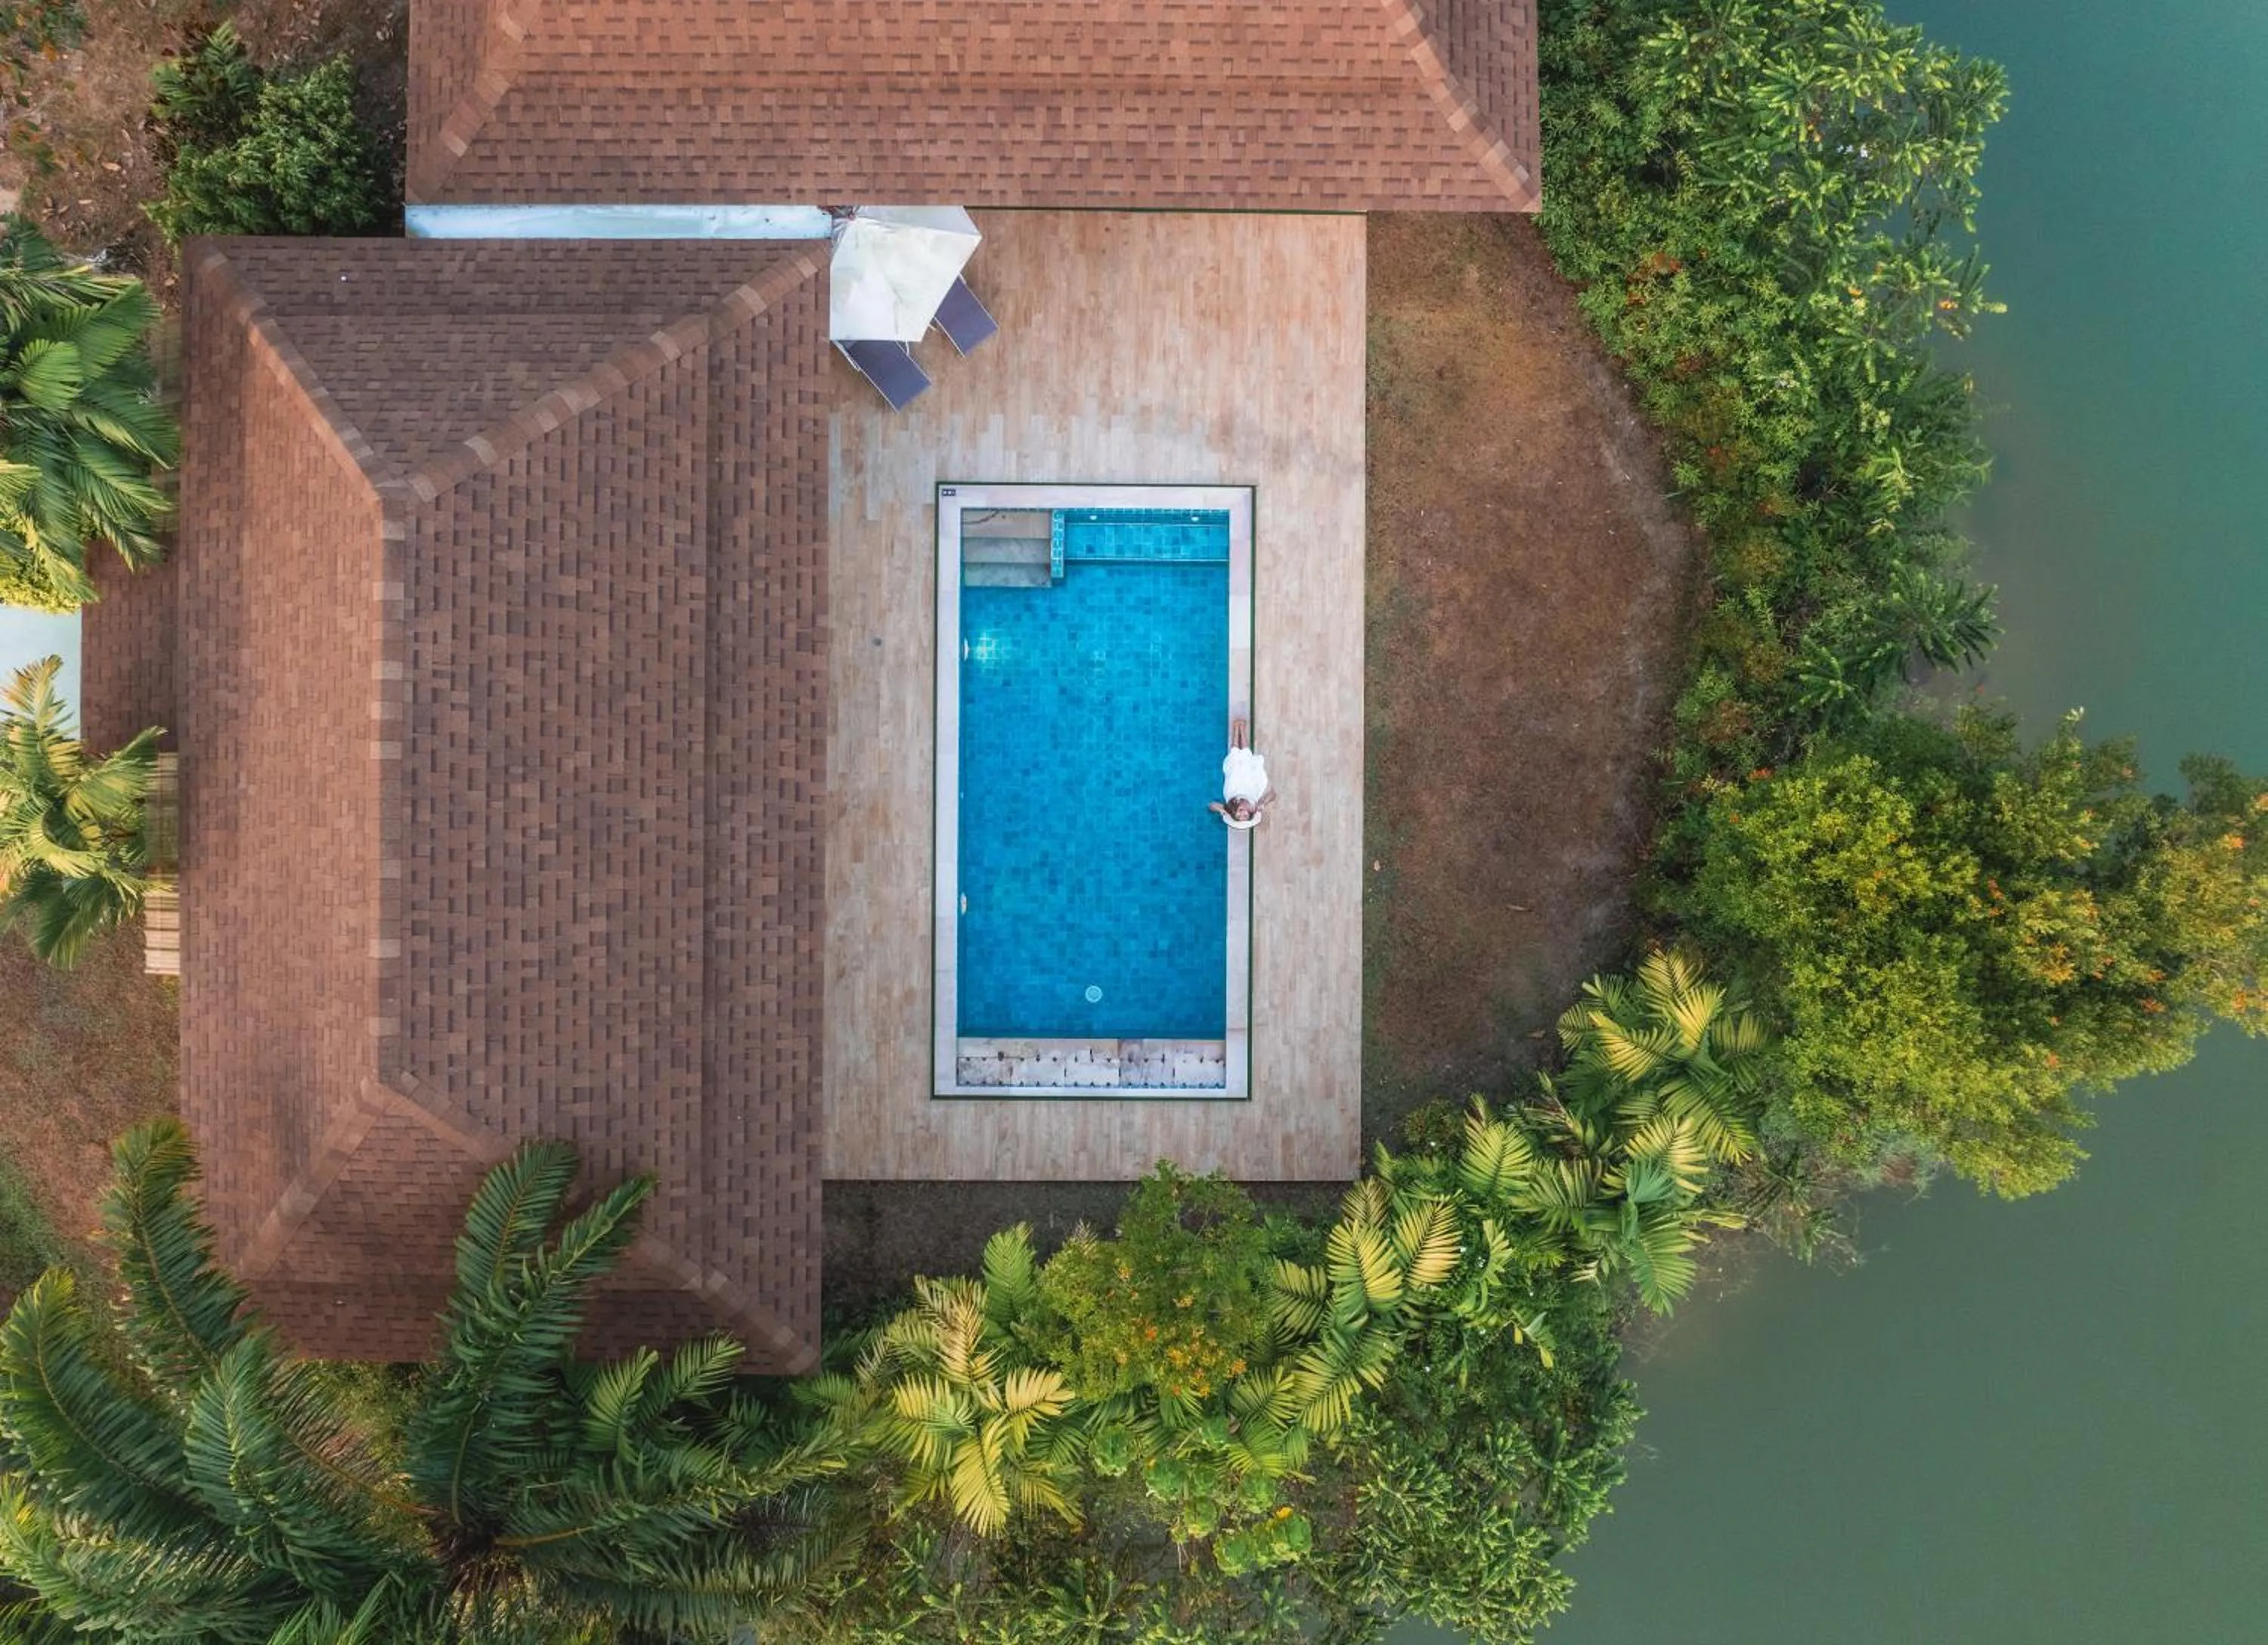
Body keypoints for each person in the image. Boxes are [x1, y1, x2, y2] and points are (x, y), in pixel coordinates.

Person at [1210, 716, 1276, 830]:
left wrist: (1221, 810)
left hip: (1234, 781)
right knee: (1246, 754)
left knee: (1234, 755)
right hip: (1248, 780)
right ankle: (1242, 729)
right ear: (1249, 813)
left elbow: (1211, 805)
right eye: (1245, 816)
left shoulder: (1230, 808)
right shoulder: (1256, 806)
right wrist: (1264, 803)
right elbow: (1273, 794)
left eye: (1239, 816)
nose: (1241, 814)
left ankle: (1236, 730)